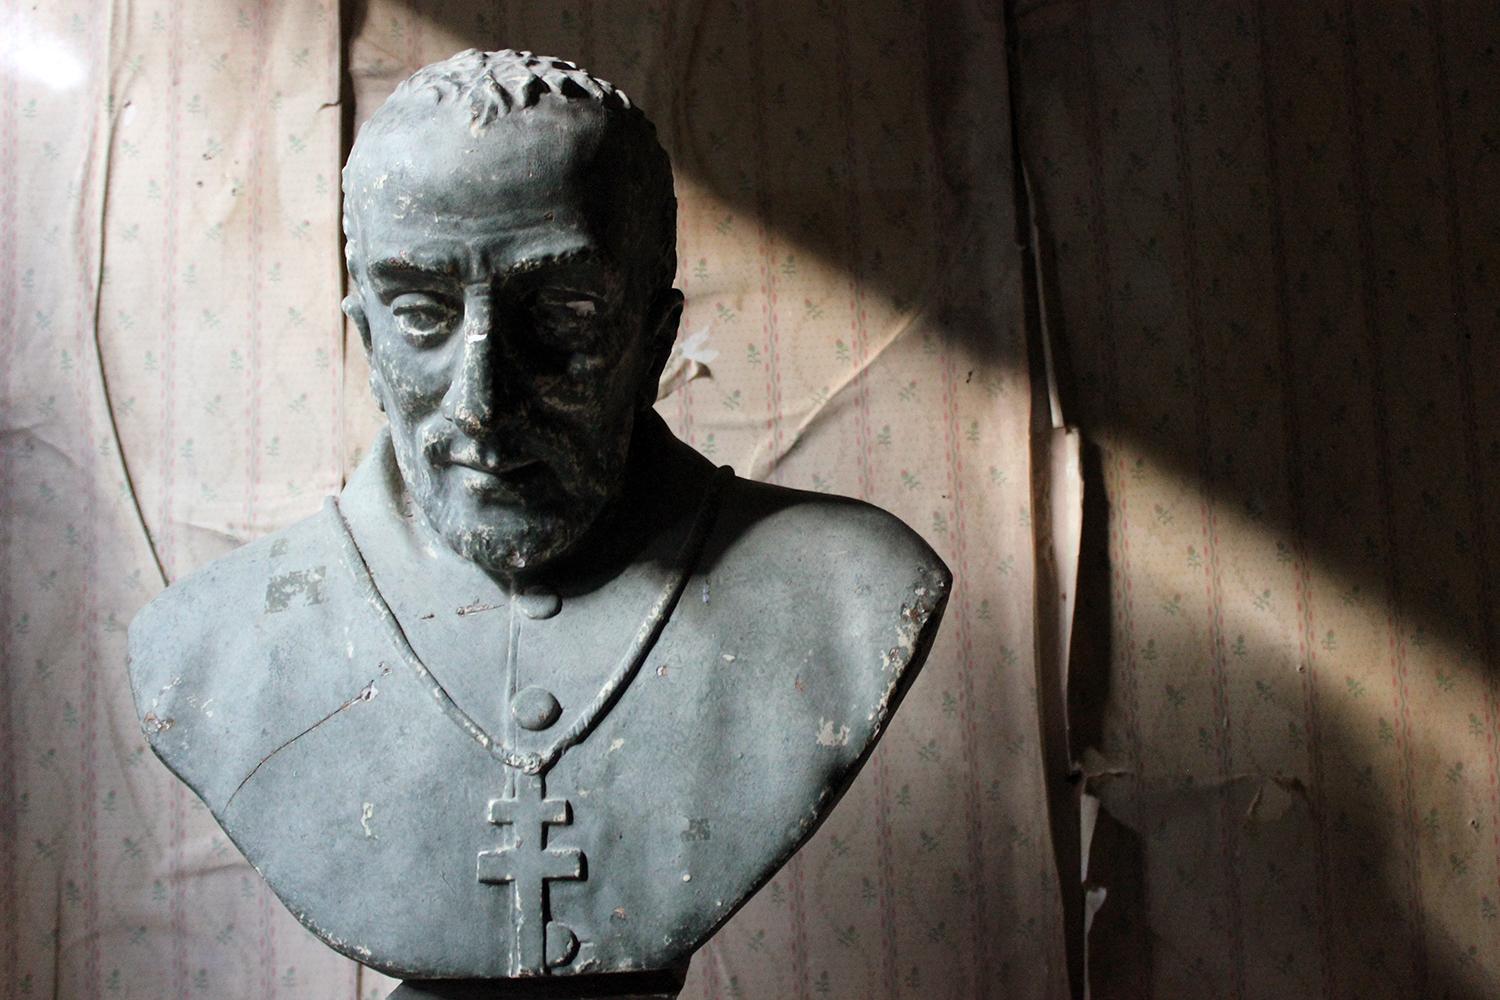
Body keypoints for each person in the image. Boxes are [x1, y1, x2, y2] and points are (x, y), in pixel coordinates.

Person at [129, 50, 949, 993]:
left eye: (559, 312)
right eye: (423, 314)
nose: (481, 401)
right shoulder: (210, 646)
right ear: (365, 335)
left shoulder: (847, 592)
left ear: (655, 336)